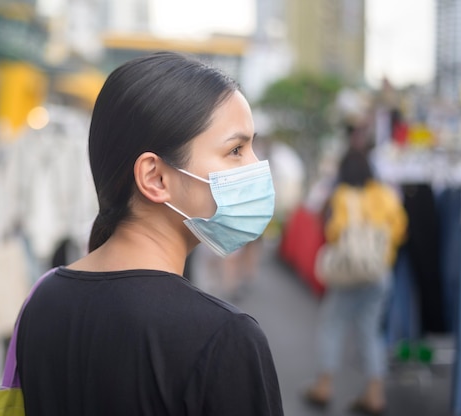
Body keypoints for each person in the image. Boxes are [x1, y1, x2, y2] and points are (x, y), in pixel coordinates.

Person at [16, 52, 284, 415]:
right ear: (155, 178)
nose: (256, 167)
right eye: (235, 150)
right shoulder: (224, 337)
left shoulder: (42, 301)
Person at [304, 148, 408, 415]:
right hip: (379, 273)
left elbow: (334, 232)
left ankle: (324, 386)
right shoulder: (386, 195)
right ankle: (375, 394)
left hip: (348, 274)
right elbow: (399, 230)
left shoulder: (342, 196)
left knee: (332, 325)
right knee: (370, 332)